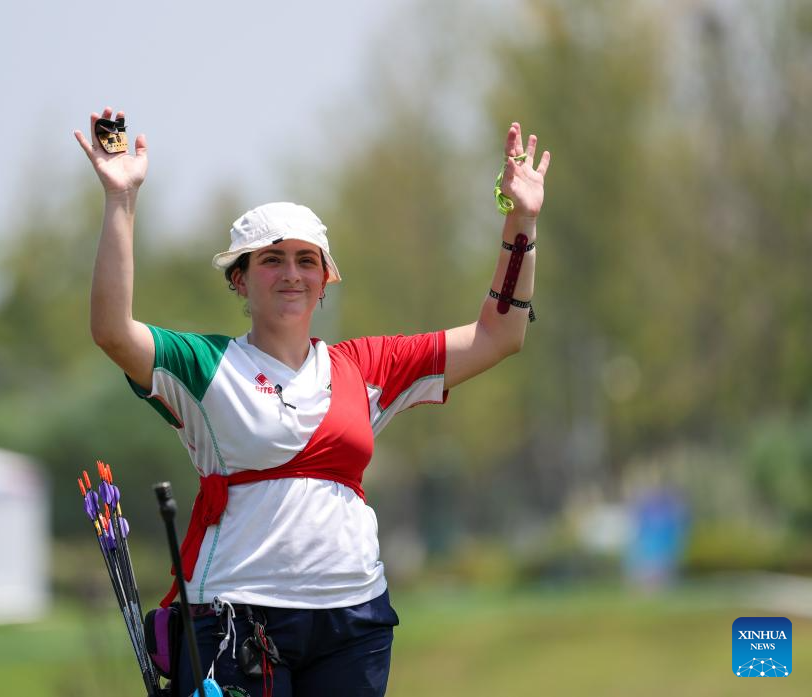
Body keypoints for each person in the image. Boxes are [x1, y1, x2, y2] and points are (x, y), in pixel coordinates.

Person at [75, 106, 550, 697]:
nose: (292, 274)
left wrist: (521, 220)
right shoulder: (204, 366)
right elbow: (112, 332)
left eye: (307, 261)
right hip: (236, 618)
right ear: (240, 279)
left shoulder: (367, 367)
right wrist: (120, 198)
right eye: (271, 259)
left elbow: (499, 335)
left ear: (326, 281)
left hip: (354, 618)